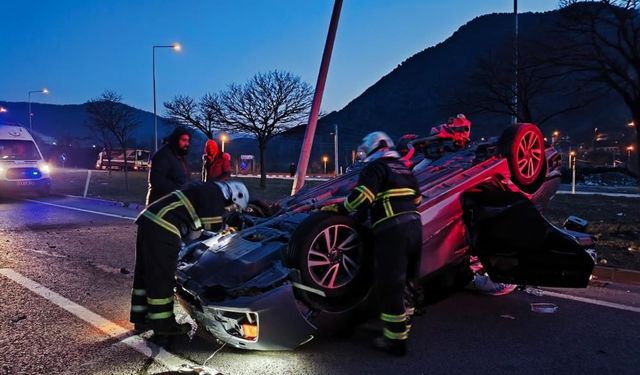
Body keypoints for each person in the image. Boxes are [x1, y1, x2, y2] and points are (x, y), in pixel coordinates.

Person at [324, 131, 422, 356]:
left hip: (392, 229)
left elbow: (362, 197)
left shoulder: (375, 168)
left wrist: (341, 209)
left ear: (374, 148)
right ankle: (404, 324)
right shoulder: (403, 168)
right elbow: (417, 199)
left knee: (390, 283)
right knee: (409, 278)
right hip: (415, 226)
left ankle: (395, 341)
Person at [130, 180, 250, 337]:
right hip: (164, 226)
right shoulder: (215, 195)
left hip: (150, 220)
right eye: (232, 207)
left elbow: (194, 227)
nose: (228, 210)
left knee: (145, 271)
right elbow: (212, 227)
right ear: (234, 196)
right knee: (163, 277)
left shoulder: (207, 189)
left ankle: (141, 317)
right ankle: (164, 325)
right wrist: (229, 229)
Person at [146, 127, 192, 205]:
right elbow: (157, 182)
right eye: (184, 140)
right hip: (161, 205)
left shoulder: (179, 157)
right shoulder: (163, 156)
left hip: (174, 204)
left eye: (188, 141)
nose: (187, 144)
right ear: (176, 140)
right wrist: (181, 190)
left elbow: (184, 178)